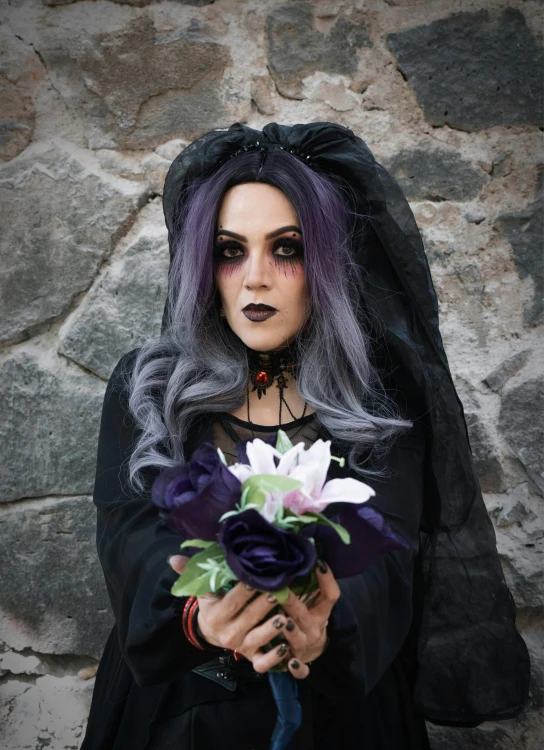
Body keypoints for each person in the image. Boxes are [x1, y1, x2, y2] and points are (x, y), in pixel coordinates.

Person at [81, 122, 530, 750]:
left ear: (328, 261)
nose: (255, 278)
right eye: (230, 250)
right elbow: (130, 538)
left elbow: (389, 554)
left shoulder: (381, 394)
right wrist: (199, 612)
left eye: (286, 249)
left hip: (340, 718)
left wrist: (323, 625)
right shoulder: (149, 386)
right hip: (178, 715)